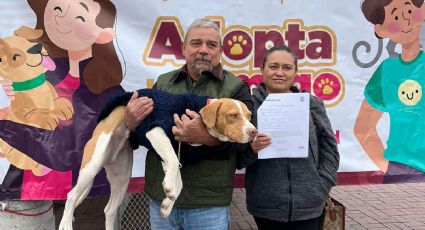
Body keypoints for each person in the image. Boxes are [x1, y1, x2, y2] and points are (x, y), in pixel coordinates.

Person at [0, 0, 153, 228]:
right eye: (58, 10)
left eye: (80, 17)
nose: (62, 19)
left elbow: (67, 152)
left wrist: (7, 127)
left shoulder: (107, 90)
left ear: (103, 34)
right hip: (27, 194)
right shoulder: (37, 66)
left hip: (82, 197)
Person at [126, 18, 255, 229]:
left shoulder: (237, 88)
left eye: (211, 45)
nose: (203, 50)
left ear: (220, 51)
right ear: (184, 49)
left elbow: (247, 142)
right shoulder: (163, 82)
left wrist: (205, 138)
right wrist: (131, 124)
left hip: (208, 204)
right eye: (196, 43)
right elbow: (143, 137)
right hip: (162, 198)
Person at [243, 45, 339, 230]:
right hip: (265, 206)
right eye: (273, 66)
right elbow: (237, 158)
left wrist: (322, 185)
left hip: (310, 203)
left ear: (295, 72)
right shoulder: (248, 107)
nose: (280, 73)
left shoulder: (312, 105)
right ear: (262, 70)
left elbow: (330, 149)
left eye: (287, 67)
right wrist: (251, 150)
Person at [354, 0, 425, 182]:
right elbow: (363, 128)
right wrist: (390, 168)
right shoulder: (387, 72)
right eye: (395, 16)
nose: (405, 20)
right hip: (404, 173)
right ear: (381, 30)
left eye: (409, 11)